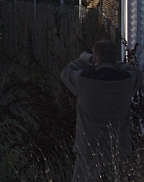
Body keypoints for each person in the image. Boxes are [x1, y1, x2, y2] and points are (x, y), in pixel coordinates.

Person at [60, 40, 144, 181]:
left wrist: (83, 60)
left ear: (96, 58)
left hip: (88, 150)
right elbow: (137, 73)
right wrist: (115, 64)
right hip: (118, 150)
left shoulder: (83, 80)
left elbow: (65, 73)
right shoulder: (126, 81)